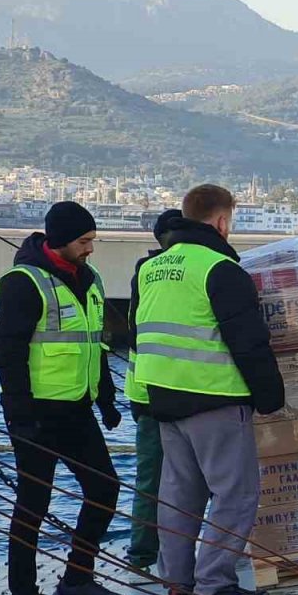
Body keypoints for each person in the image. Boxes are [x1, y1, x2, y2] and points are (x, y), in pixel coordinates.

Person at [136, 184, 285, 595]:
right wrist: (270, 397)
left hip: (164, 399)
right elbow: (248, 341)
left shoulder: (151, 269)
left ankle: (178, 592)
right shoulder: (220, 268)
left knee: (179, 498)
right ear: (222, 221)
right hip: (215, 396)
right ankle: (216, 587)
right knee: (235, 495)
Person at [0, 201, 125, 595]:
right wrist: (19, 416)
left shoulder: (90, 279)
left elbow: (94, 343)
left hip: (77, 409)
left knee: (105, 488)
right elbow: (9, 354)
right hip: (36, 413)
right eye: (84, 241)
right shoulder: (23, 282)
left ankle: (77, 578)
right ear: (61, 240)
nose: (90, 249)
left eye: (92, 240)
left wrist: (106, 399)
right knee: (33, 503)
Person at [123, 208, 181, 574]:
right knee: (196, 478)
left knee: (151, 479)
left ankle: (143, 554)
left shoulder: (144, 272)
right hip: (176, 392)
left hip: (144, 391)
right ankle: (150, 552)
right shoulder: (179, 273)